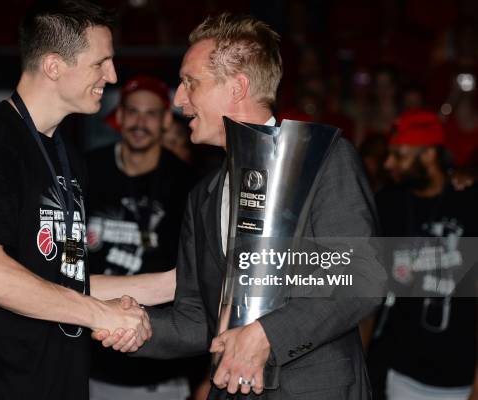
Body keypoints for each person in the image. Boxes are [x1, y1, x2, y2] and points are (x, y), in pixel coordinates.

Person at [94, 13, 385, 399]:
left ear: (237, 87)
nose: (179, 99)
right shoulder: (204, 195)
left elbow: (362, 277)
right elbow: (199, 318)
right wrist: (136, 328)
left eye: (190, 83)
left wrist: (267, 335)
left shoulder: (322, 159)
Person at [0, 2, 153, 399]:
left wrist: (176, 285)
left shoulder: (68, 156)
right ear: (54, 66)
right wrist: (101, 314)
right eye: (101, 63)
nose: (112, 76)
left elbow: (65, 280)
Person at [86, 75, 194, 400]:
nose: (139, 122)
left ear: (165, 121)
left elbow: (197, 286)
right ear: (118, 116)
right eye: (132, 112)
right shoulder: (85, 170)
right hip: (88, 362)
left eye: (150, 114)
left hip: (160, 370)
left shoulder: (188, 185)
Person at [370, 109, 477, 400]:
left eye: (399, 155)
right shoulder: (388, 203)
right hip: (401, 371)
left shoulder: (469, 201)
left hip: (461, 380)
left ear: (429, 155)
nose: (389, 163)